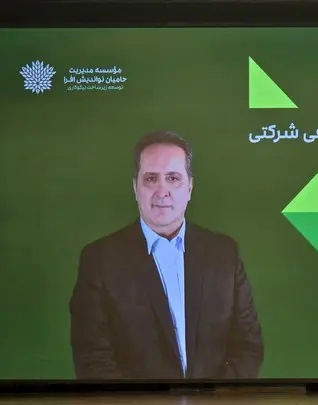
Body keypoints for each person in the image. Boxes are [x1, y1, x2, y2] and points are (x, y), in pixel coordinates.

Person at [69, 130, 264, 380]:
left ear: (190, 187)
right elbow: (93, 360)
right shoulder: (99, 260)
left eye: (173, 178)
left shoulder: (224, 254)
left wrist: (214, 397)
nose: (162, 191)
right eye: (151, 179)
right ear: (135, 188)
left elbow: (248, 347)